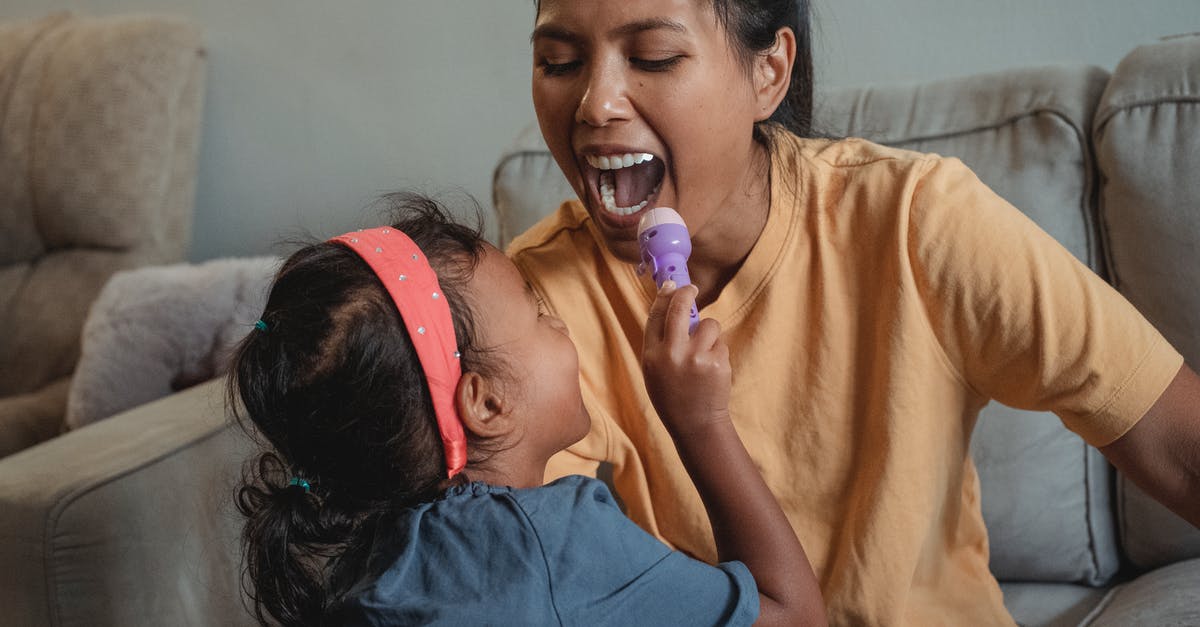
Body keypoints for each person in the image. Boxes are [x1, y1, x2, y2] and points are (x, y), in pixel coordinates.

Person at [510, 1, 1200, 625]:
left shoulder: (915, 222)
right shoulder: (530, 308)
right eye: (559, 61)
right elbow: (508, 563)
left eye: (653, 56)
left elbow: (1177, 443)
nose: (596, 103)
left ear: (770, 72)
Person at [228, 193, 826, 626]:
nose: (561, 321)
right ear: (486, 403)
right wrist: (702, 424)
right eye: (539, 314)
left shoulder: (363, 564)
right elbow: (794, 616)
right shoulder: (558, 546)